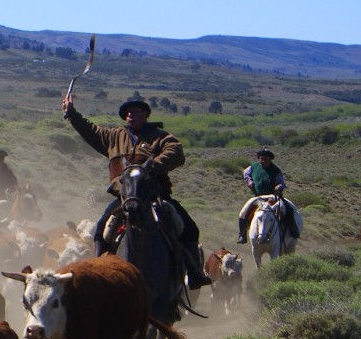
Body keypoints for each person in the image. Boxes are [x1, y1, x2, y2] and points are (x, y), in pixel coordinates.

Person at [61, 95, 211, 289]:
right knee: (100, 230)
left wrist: (151, 167)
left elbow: (176, 151)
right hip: (125, 198)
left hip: (154, 197)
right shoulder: (113, 137)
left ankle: (194, 273)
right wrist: (71, 114)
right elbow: (90, 130)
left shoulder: (160, 137)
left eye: (136, 111)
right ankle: (97, 271)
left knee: (189, 229)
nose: (131, 115)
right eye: (128, 113)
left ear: (146, 114)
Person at [237, 148, 299, 243]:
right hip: (258, 197)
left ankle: (292, 229)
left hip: (272, 196)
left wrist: (279, 186)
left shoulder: (276, 170)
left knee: (288, 208)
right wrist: (249, 181)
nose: (263, 161)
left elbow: (282, 183)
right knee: (243, 212)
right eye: (261, 159)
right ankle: (242, 235)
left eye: (265, 159)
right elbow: (246, 173)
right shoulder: (254, 166)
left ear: (270, 159)